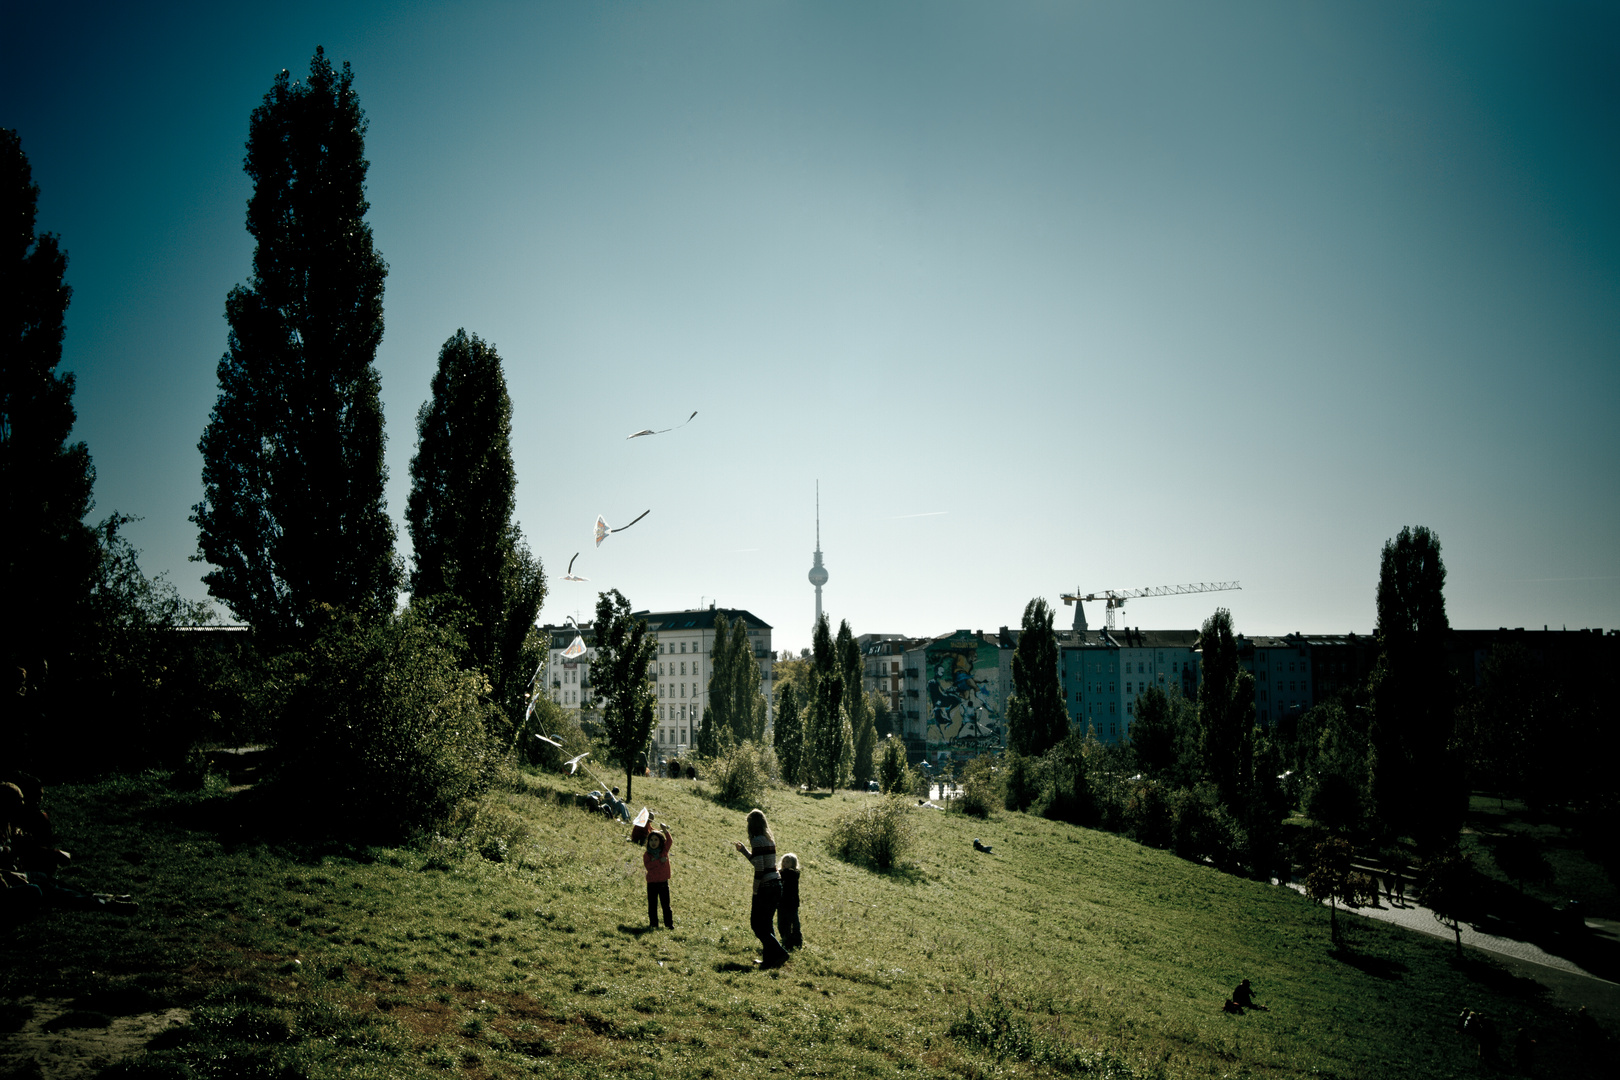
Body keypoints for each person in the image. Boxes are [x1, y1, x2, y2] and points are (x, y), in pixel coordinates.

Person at [733, 808, 790, 967]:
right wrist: (744, 851)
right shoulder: (769, 839)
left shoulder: (757, 840)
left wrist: (755, 890)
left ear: (752, 825)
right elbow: (761, 862)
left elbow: (759, 869)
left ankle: (780, 953)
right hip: (776, 884)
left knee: (757, 925)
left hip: (766, 887)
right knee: (766, 924)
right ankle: (770, 960)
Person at [644, 823, 675, 930]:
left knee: (666, 905)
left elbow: (670, 841)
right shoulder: (647, 854)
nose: (653, 842)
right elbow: (648, 866)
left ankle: (669, 924)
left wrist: (665, 830)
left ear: (660, 841)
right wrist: (659, 861)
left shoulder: (664, 850)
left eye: (656, 840)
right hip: (652, 883)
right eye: (651, 840)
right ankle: (653, 924)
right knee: (652, 905)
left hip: (663, 883)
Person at [777, 853, 802, 949]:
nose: (784, 863)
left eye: (787, 862)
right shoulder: (782, 873)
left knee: (793, 922)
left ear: (793, 864)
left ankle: (795, 940)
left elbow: (786, 874)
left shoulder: (793, 873)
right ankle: (786, 939)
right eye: (783, 861)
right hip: (782, 903)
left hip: (791, 903)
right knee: (782, 923)